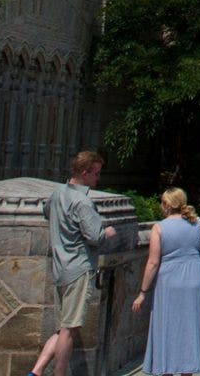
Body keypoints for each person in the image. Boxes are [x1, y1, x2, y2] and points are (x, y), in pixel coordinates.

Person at [30, 150, 121, 376]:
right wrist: (107, 232)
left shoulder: (56, 194)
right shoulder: (83, 202)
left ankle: (37, 371)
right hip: (78, 268)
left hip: (60, 267)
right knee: (69, 329)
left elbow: (46, 212)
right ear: (84, 172)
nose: (98, 179)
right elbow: (95, 237)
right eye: (96, 174)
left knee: (61, 328)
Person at [133, 188, 200, 376]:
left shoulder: (159, 227)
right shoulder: (196, 223)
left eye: (162, 202)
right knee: (189, 328)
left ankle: (166, 369)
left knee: (167, 328)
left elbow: (153, 262)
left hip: (170, 279)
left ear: (168, 205)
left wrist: (143, 292)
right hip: (194, 276)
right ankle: (188, 371)